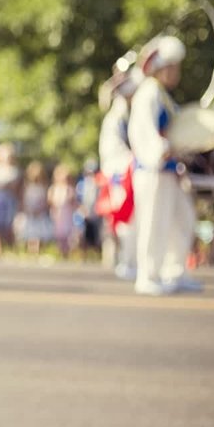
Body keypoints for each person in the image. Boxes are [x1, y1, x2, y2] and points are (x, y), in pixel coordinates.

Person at [128, 36, 203, 295]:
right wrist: (162, 149)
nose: (176, 73)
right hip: (152, 170)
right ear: (159, 67)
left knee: (182, 219)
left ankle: (175, 271)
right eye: (172, 67)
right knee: (153, 222)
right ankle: (148, 276)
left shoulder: (164, 96)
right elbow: (143, 131)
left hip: (169, 171)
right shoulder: (148, 92)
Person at [97, 68, 141, 278]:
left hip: (129, 173)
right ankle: (127, 262)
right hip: (121, 176)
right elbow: (113, 152)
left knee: (133, 221)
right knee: (125, 222)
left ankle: (131, 261)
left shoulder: (127, 116)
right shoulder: (116, 119)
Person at [18, 160, 52, 256]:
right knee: (30, 234)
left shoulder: (43, 187)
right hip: (30, 213)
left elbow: (46, 201)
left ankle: (38, 252)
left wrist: (40, 209)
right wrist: (27, 209)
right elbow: (23, 200)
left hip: (40, 214)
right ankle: (31, 252)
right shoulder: (27, 187)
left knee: (39, 234)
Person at [49, 163, 78, 258]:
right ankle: (61, 251)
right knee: (59, 234)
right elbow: (50, 201)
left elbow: (74, 203)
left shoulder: (70, 190)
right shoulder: (54, 189)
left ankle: (67, 252)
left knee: (67, 234)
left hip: (67, 215)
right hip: (58, 215)